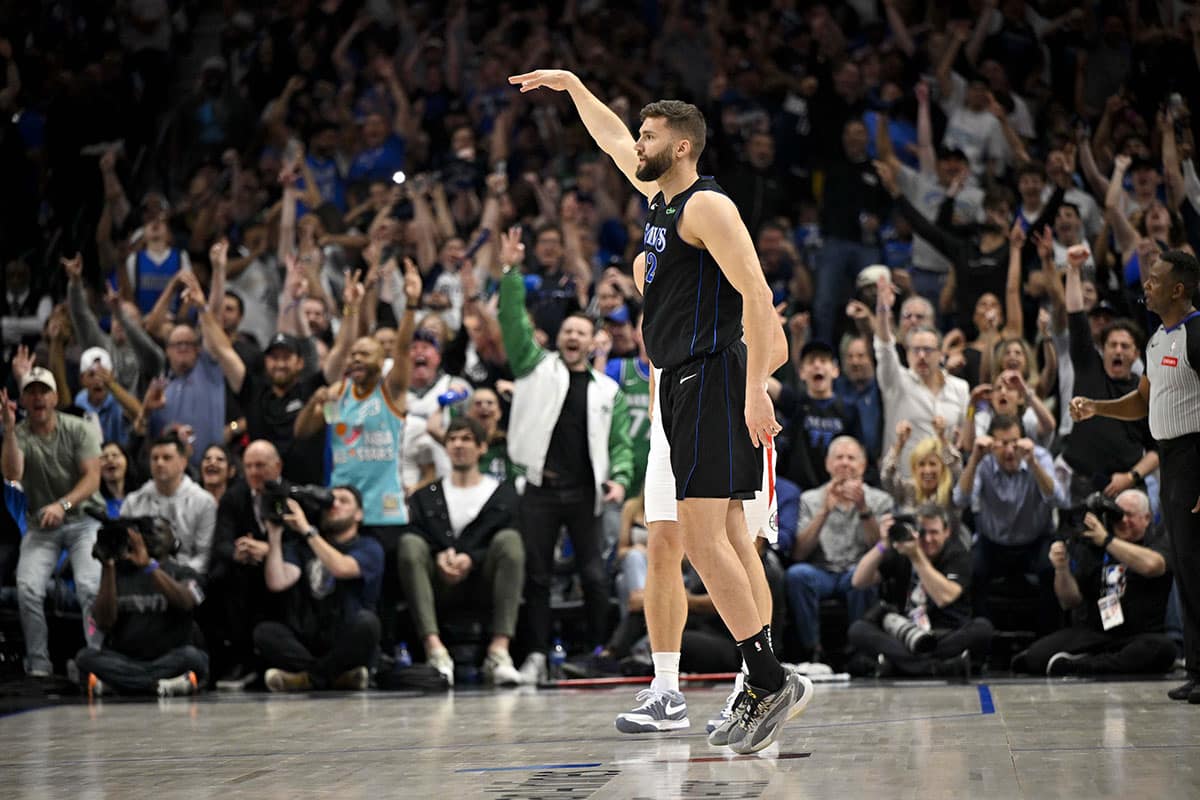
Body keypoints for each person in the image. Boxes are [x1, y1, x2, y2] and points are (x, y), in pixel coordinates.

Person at [512, 69, 809, 753]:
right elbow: (612, 137)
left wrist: (758, 383)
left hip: (711, 376)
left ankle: (766, 677)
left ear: (682, 147)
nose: (637, 145)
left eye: (651, 137)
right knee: (711, 534)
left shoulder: (708, 207)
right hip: (677, 381)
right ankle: (760, 678)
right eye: (641, 133)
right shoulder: (661, 199)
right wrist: (573, 86)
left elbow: (760, 297)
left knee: (706, 537)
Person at [492, 229, 633, 670]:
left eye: (582, 332)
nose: (573, 336)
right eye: (568, 330)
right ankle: (535, 653)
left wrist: (621, 479)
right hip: (538, 490)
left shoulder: (609, 390)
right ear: (559, 337)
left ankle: (597, 653)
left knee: (594, 576)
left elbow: (621, 444)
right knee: (537, 576)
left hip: (583, 492)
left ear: (594, 343)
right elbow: (512, 321)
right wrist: (511, 272)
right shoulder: (534, 368)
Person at [1069, 248, 1200, 703]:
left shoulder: (1197, 334)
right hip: (1170, 459)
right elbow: (1143, 402)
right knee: (1187, 569)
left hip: (1193, 456)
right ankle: (1198, 670)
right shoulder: (1157, 339)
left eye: (1155, 279)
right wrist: (1097, 407)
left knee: (1197, 566)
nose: (1146, 285)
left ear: (1178, 289)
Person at [398, 418, 524, 687]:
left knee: (510, 540)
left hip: (485, 580)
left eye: (466, 439)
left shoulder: (502, 494)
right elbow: (420, 532)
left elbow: (503, 532)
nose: (458, 444)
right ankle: (435, 650)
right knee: (410, 544)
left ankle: (498, 653)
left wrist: (470, 557)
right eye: (452, 439)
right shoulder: (426, 495)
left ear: (481, 447)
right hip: (438, 580)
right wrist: (439, 555)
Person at [2, 367, 104, 677]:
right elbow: (12, 474)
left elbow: (93, 478)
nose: (38, 397)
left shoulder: (78, 428)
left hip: (84, 519)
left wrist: (63, 504)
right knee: (28, 587)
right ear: (23, 400)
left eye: (43, 391)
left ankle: (97, 661)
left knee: (89, 586)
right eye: (31, 392)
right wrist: (7, 429)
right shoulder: (18, 434)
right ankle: (39, 667)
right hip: (41, 527)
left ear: (55, 397)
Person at [1012, 490, 1176, 676]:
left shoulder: (1156, 541)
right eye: (1117, 514)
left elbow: (1153, 565)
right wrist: (1062, 569)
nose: (1122, 520)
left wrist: (1107, 540)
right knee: (1034, 657)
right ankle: (1093, 661)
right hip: (1098, 634)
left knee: (1163, 649)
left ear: (1147, 518)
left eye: (1129, 515)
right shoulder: (1094, 547)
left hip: (1138, 636)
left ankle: (1081, 666)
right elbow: (1070, 601)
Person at [254, 487, 383, 692]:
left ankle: (306, 679)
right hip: (310, 638)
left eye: (344, 501)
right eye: (331, 501)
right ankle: (334, 677)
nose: (335, 505)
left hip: (345, 637)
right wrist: (275, 535)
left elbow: (341, 568)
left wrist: (307, 530)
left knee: (368, 624)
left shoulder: (369, 547)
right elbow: (278, 582)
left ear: (359, 514)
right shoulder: (302, 545)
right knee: (265, 632)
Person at [848, 506, 993, 677]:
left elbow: (945, 597)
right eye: (923, 533)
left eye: (934, 532)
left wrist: (916, 557)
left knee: (982, 628)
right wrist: (883, 544)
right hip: (904, 634)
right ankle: (937, 667)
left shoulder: (957, 555)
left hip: (944, 633)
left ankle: (901, 665)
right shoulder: (902, 550)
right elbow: (858, 581)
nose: (928, 539)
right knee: (858, 629)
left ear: (946, 532)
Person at [787, 436, 893, 662]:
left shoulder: (879, 500)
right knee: (798, 575)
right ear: (827, 464)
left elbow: (881, 549)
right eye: (839, 458)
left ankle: (859, 651)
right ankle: (811, 651)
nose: (845, 463)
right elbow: (798, 553)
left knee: (864, 578)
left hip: (857, 569)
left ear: (863, 466)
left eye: (851, 458)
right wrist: (824, 511)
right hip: (821, 572)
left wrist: (863, 509)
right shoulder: (810, 499)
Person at [75, 517, 207, 698]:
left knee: (194, 658)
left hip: (169, 658)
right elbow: (103, 623)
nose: (152, 536)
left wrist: (149, 566)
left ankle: (119, 687)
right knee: (85, 657)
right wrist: (109, 566)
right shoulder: (119, 573)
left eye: (159, 531)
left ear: (173, 539)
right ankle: (162, 686)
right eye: (147, 532)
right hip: (126, 660)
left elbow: (185, 601)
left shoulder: (184, 573)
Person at [954, 414, 1066, 624]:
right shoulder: (983, 461)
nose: (1009, 451)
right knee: (972, 570)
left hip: (1035, 541)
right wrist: (974, 460)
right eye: (1002, 444)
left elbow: (1058, 500)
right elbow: (961, 499)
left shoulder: (1039, 457)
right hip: (993, 544)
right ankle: (982, 638)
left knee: (1051, 570)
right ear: (992, 444)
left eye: (1014, 442)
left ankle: (1046, 639)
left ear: (1024, 440)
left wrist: (1032, 463)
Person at [121, 434, 217, 578]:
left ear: (183, 462)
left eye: (167, 458)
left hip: (186, 576)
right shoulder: (133, 501)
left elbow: (204, 556)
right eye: (154, 458)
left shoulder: (204, 502)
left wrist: (175, 574)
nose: (159, 463)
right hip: (140, 575)